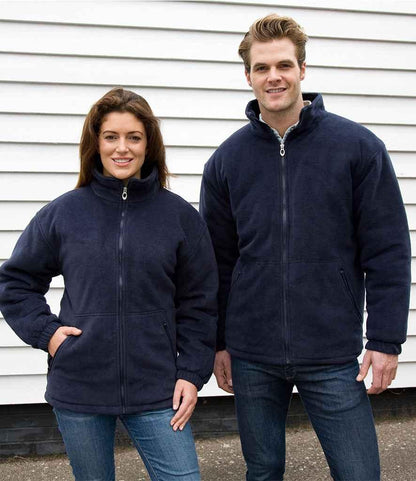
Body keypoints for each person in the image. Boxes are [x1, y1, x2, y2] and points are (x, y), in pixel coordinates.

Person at [200, 14, 411, 481]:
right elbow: (216, 263)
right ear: (248, 76)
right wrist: (218, 343)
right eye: (261, 68)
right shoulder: (226, 161)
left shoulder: (358, 148)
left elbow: (388, 250)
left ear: (302, 69)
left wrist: (385, 340)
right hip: (251, 352)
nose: (273, 77)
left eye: (283, 65)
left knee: (359, 473)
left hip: (331, 351)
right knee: (263, 471)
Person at [0, 88, 218, 481]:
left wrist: (191, 372)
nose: (122, 148)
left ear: (148, 145)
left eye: (134, 137)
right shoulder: (62, 214)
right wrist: (49, 335)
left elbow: (200, 303)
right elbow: (15, 283)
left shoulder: (179, 217)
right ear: (96, 143)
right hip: (80, 385)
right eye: (111, 137)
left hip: (157, 387)